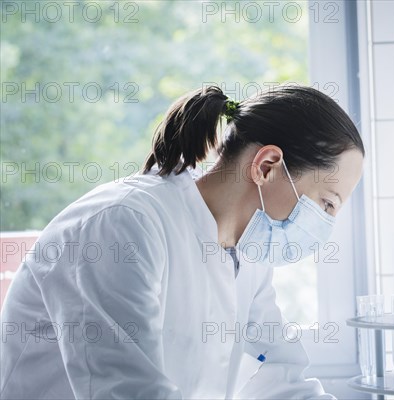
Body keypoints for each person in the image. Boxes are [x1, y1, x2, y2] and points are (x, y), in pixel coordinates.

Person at [0, 85, 364, 399]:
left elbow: (280, 378)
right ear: (266, 166)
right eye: (327, 203)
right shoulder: (125, 224)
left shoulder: (246, 255)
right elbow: (128, 390)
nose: (325, 224)